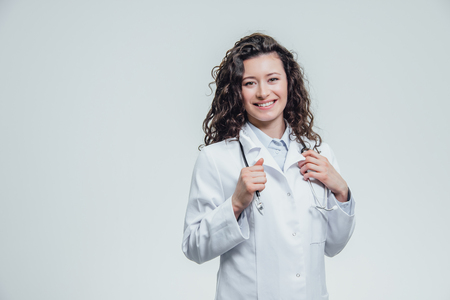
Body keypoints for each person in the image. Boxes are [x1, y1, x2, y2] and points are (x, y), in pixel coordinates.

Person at [182, 33, 355, 300]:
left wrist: (342, 192)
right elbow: (193, 246)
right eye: (250, 83)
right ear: (237, 91)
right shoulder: (216, 159)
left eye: (273, 79)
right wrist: (235, 205)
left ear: (289, 83)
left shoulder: (320, 154)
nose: (263, 92)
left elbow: (333, 246)